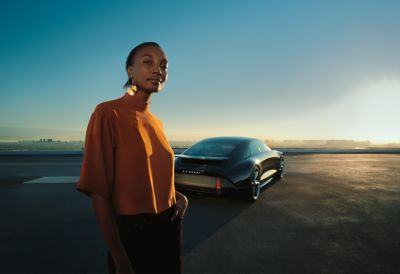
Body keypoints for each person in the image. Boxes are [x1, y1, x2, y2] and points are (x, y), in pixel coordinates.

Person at [76, 42, 188, 274]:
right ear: (130, 70)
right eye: (148, 62)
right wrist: (120, 259)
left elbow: (143, 174)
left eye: (164, 65)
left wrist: (177, 196)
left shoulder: (156, 122)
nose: (158, 70)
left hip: (169, 226)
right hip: (132, 234)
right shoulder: (107, 113)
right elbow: (99, 192)